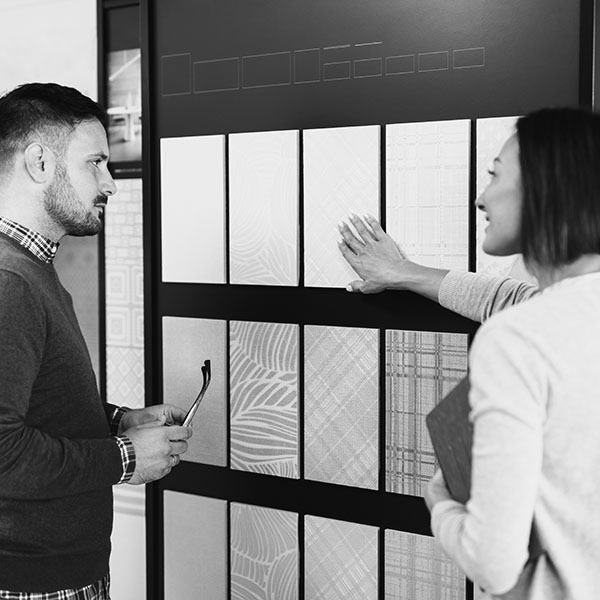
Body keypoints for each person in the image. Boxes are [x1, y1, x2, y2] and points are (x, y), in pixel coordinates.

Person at [338, 108, 600, 598]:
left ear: (546, 187)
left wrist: (439, 503)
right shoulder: (557, 315)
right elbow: (513, 299)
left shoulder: (521, 339)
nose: (481, 197)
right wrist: (403, 271)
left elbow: (494, 565)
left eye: (496, 175)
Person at [0, 82, 192, 598]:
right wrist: (125, 457)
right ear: (39, 163)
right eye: (96, 163)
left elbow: (34, 404)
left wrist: (119, 421)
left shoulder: (29, 270)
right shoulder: (9, 280)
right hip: (32, 583)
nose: (111, 183)